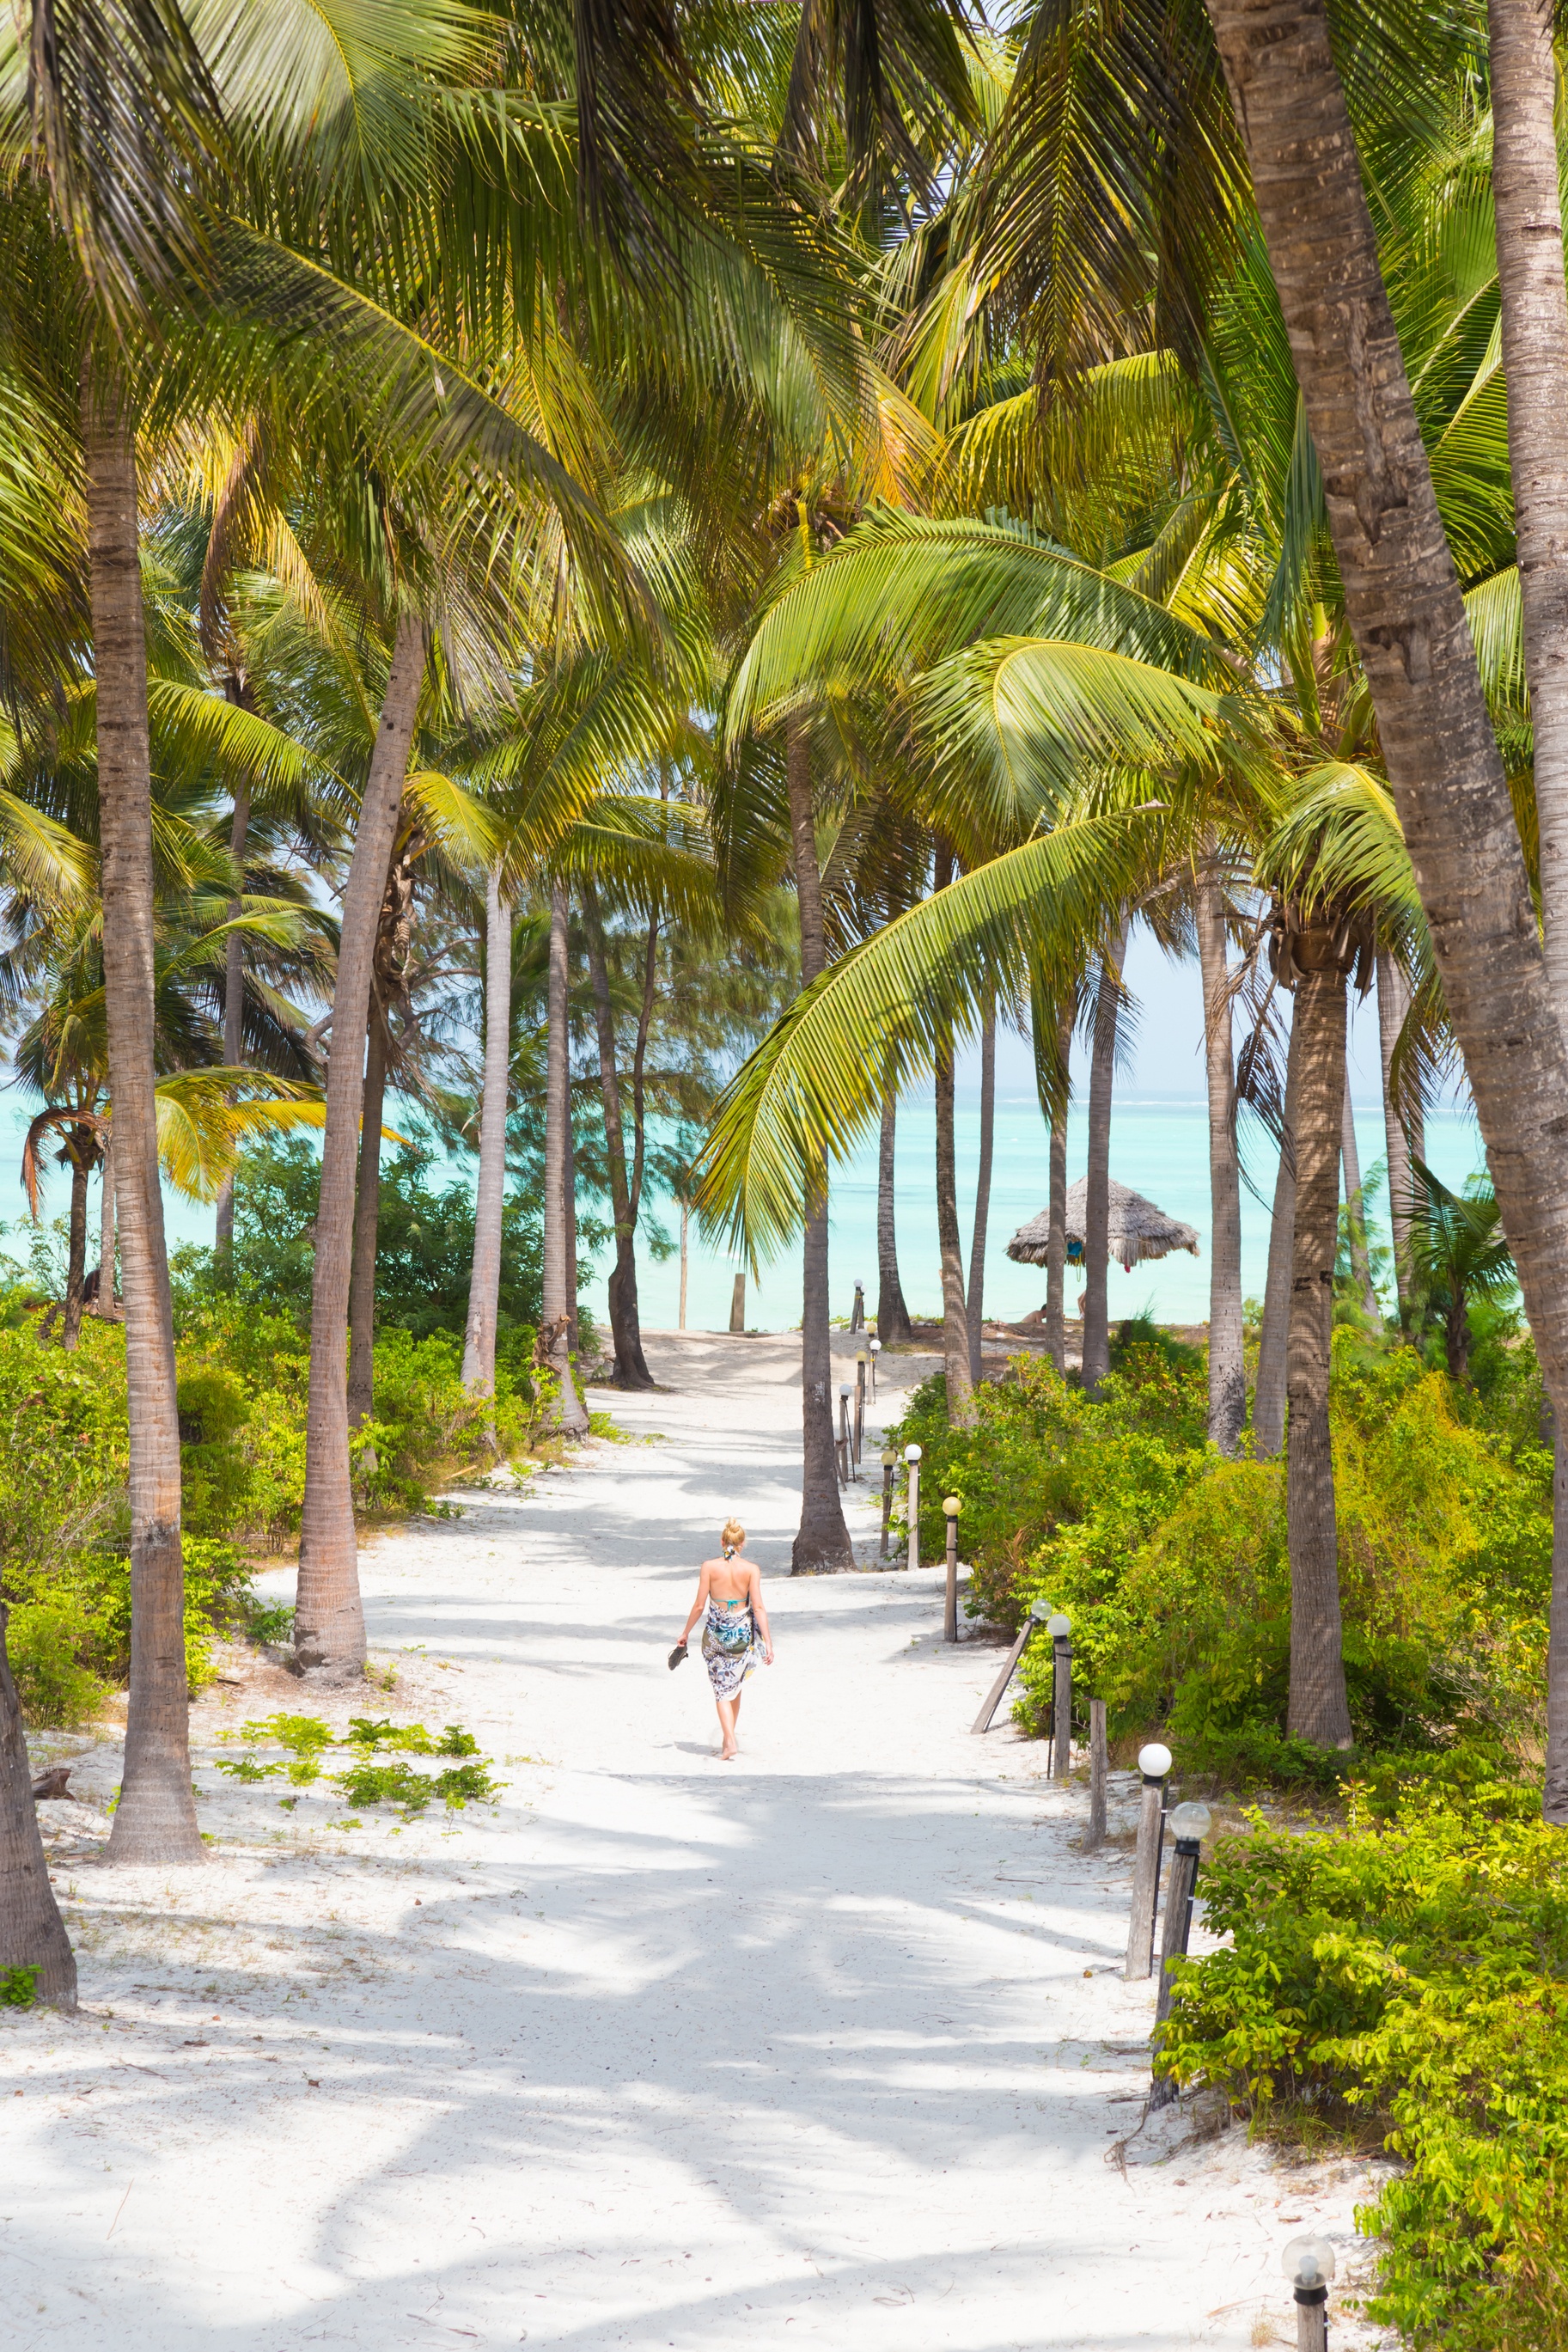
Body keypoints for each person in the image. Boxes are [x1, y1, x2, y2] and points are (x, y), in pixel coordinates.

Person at [674, 1518, 773, 1760]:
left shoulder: (709, 1567)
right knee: (734, 1686)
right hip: (741, 1636)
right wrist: (768, 1642)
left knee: (721, 1689)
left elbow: (699, 1606)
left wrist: (686, 1632)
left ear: (722, 1542)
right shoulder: (752, 1570)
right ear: (742, 1544)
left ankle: (729, 1741)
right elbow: (758, 1607)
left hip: (715, 1637)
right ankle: (728, 1736)